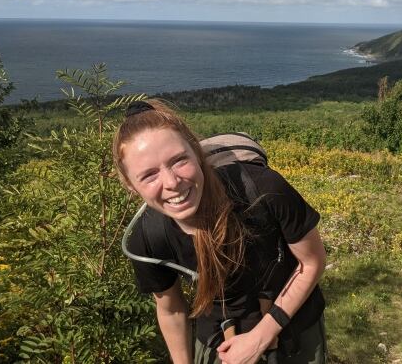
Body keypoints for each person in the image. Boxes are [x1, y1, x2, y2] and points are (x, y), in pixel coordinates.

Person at [112, 99, 327, 364]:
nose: (171, 183)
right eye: (149, 175)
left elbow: (312, 261)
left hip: (294, 333)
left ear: (197, 154)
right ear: (130, 185)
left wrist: (260, 337)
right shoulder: (148, 236)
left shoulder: (263, 189)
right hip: (218, 343)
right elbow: (171, 309)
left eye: (179, 161)